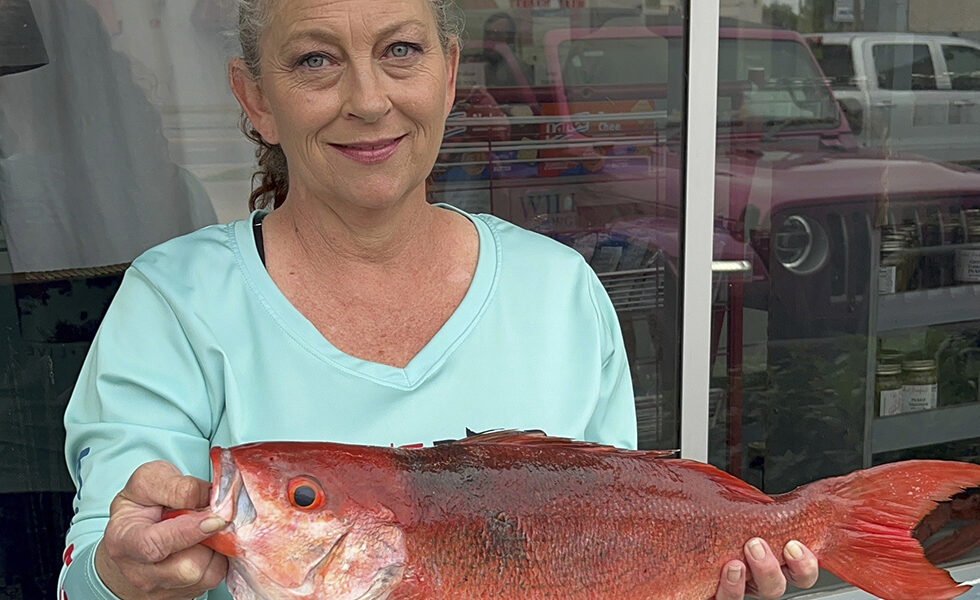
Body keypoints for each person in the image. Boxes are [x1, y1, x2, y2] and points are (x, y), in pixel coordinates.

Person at [58, 0, 821, 599]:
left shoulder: (558, 289)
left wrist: (689, 577)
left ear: (448, 75)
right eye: (316, 59)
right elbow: (87, 575)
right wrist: (122, 576)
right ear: (255, 98)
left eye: (401, 51)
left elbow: (609, 537)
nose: (367, 99)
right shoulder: (174, 302)